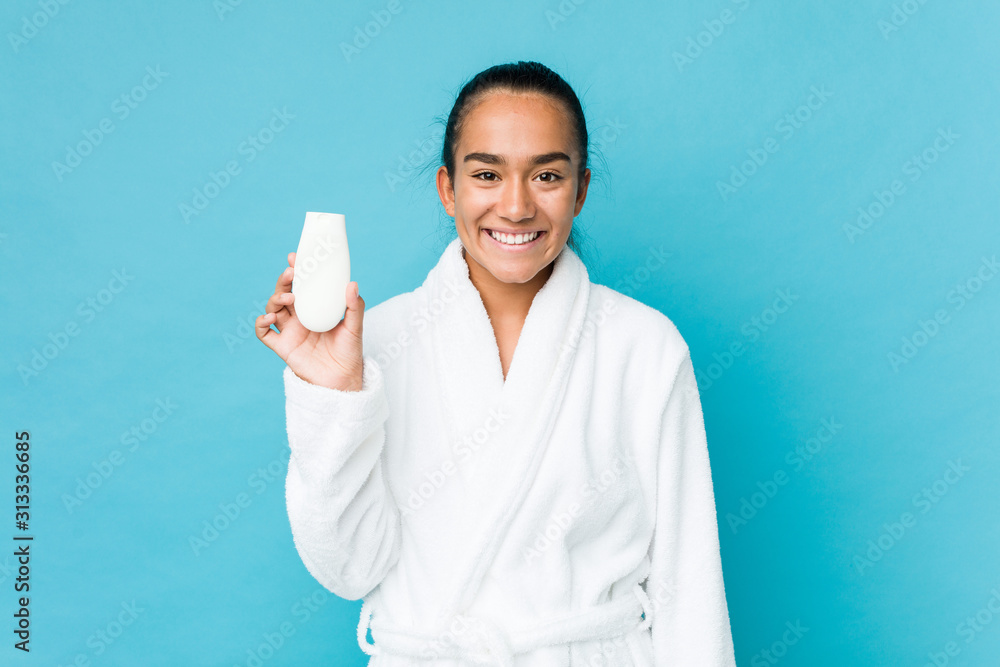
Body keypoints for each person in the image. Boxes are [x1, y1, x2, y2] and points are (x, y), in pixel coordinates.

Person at [256, 60, 737, 666]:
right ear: (448, 189)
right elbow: (349, 569)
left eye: (547, 176)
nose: (515, 206)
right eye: (486, 174)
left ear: (581, 190)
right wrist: (333, 396)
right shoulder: (377, 344)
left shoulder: (644, 347)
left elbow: (689, 583)